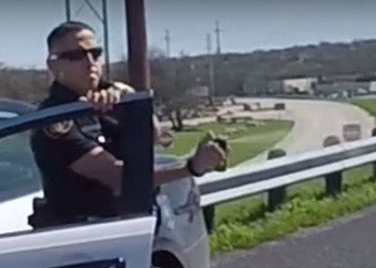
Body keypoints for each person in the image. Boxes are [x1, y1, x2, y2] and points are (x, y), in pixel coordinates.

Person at [29, 21, 228, 227]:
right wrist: (191, 167)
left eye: (95, 54)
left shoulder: (109, 98)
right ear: (53, 65)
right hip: (86, 234)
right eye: (76, 56)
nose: (90, 63)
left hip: (131, 222)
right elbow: (119, 177)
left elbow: (154, 138)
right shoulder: (54, 119)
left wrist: (132, 102)